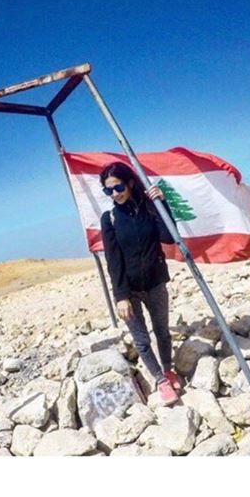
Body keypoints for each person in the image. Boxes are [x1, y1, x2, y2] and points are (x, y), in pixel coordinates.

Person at [99, 160, 183, 404]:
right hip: (130, 291)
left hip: (156, 282)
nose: (115, 194)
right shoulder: (110, 218)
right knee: (142, 340)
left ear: (130, 183)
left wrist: (161, 204)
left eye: (118, 187)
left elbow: (168, 236)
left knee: (162, 332)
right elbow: (113, 262)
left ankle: (168, 368)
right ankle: (160, 380)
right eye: (108, 190)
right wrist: (121, 297)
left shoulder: (148, 207)